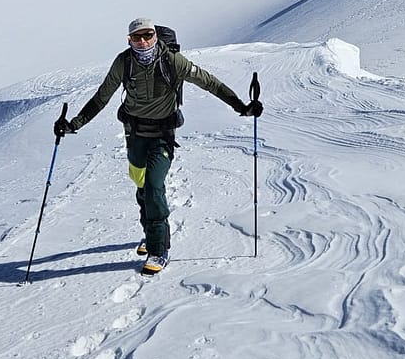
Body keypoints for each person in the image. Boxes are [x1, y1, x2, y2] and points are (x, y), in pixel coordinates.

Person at [54, 18, 262, 275]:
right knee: (141, 184)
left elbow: (209, 82)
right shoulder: (124, 62)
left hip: (162, 135)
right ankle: (150, 234)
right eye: (136, 37)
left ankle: (158, 249)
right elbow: (102, 96)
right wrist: (74, 124)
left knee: (153, 185)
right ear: (129, 40)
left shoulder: (172, 61)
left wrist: (241, 106)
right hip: (134, 133)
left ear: (155, 36)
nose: (143, 41)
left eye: (147, 35)